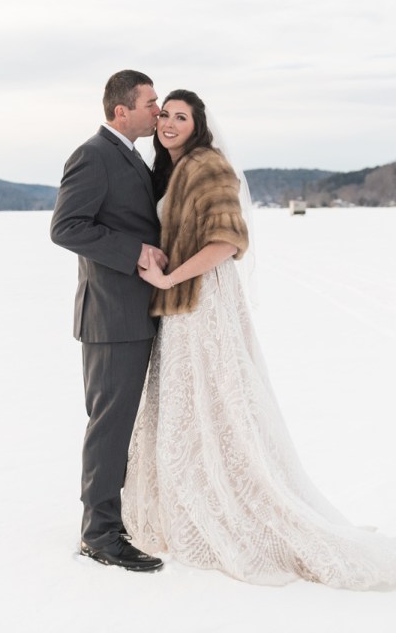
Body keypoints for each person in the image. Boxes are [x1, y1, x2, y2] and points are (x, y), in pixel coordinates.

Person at [122, 88, 396, 589]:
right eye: (163, 115)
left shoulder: (208, 166)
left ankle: (237, 501)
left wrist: (170, 277)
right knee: (191, 401)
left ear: (198, 125)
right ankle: (191, 489)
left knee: (217, 397)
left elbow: (228, 241)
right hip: (181, 303)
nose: (167, 123)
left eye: (180, 117)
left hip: (202, 300)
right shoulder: (171, 169)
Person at [50, 69, 166, 572]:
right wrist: (134, 251)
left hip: (138, 312)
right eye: (150, 103)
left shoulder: (132, 156)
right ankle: (99, 534)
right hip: (111, 316)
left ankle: (116, 520)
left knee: (123, 426)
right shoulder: (93, 155)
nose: (157, 112)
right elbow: (66, 227)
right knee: (109, 426)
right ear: (121, 110)